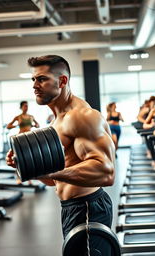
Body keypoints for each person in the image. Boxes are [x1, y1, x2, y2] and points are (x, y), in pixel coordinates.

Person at [6, 55, 115, 254]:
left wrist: (52, 173)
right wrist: (29, 166)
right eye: (33, 80)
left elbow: (105, 172)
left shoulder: (81, 116)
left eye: (42, 79)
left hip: (88, 208)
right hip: (71, 208)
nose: (35, 86)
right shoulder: (57, 121)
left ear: (62, 81)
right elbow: (56, 180)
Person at [6, 101, 40, 185]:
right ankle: (18, 178)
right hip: (20, 139)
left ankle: (29, 179)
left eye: (27, 106)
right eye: (25, 106)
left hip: (29, 138)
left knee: (30, 159)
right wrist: (17, 125)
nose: (26, 107)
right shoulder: (18, 117)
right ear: (21, 107)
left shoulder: (31, 116)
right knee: (18, 159)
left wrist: (34, 125)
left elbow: (38, 125)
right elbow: (8, 126)